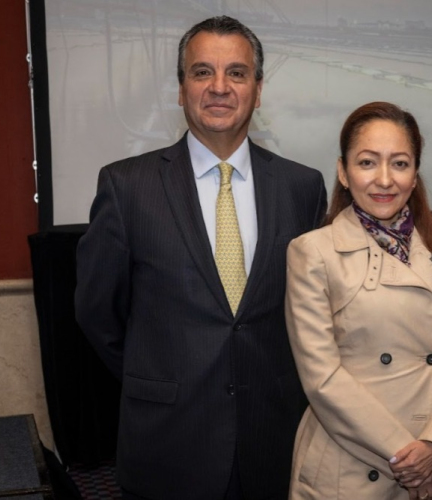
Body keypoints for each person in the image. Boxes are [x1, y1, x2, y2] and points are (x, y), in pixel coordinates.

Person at [75, 16, 327, 500]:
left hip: (274, 437)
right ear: (180, 88)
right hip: (170, 440)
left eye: (236, 73)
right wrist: (160, 372)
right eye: (201, 72)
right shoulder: (127, 186)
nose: (219, 87)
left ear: (258, 89)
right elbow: (97, 312)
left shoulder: (301, 187)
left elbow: (313, 311)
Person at [284, 102, 432, 499]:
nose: (384, 179)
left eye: (399, 163)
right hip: (353, 461)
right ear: (343, 172)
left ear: (415, 174)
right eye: (367, 162)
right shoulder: (312, 252)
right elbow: (322, 378)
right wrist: (404, 458)